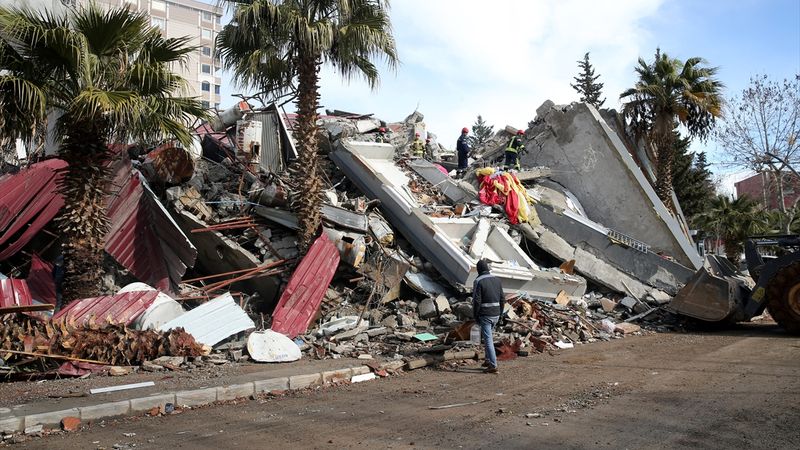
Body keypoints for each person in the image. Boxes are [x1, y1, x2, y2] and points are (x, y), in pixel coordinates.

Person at [472, 259, 505, 374]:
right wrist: (500, 313)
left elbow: (476, 301)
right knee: (487, 337)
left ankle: (493, 365)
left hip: (486, 315)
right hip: (496, 313)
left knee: (488, 339)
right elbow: (502, 298)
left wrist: (475, 315)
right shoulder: (497, 280)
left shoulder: (478, 281)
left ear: (478, 270)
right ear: (488, 268)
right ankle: (487, 360)